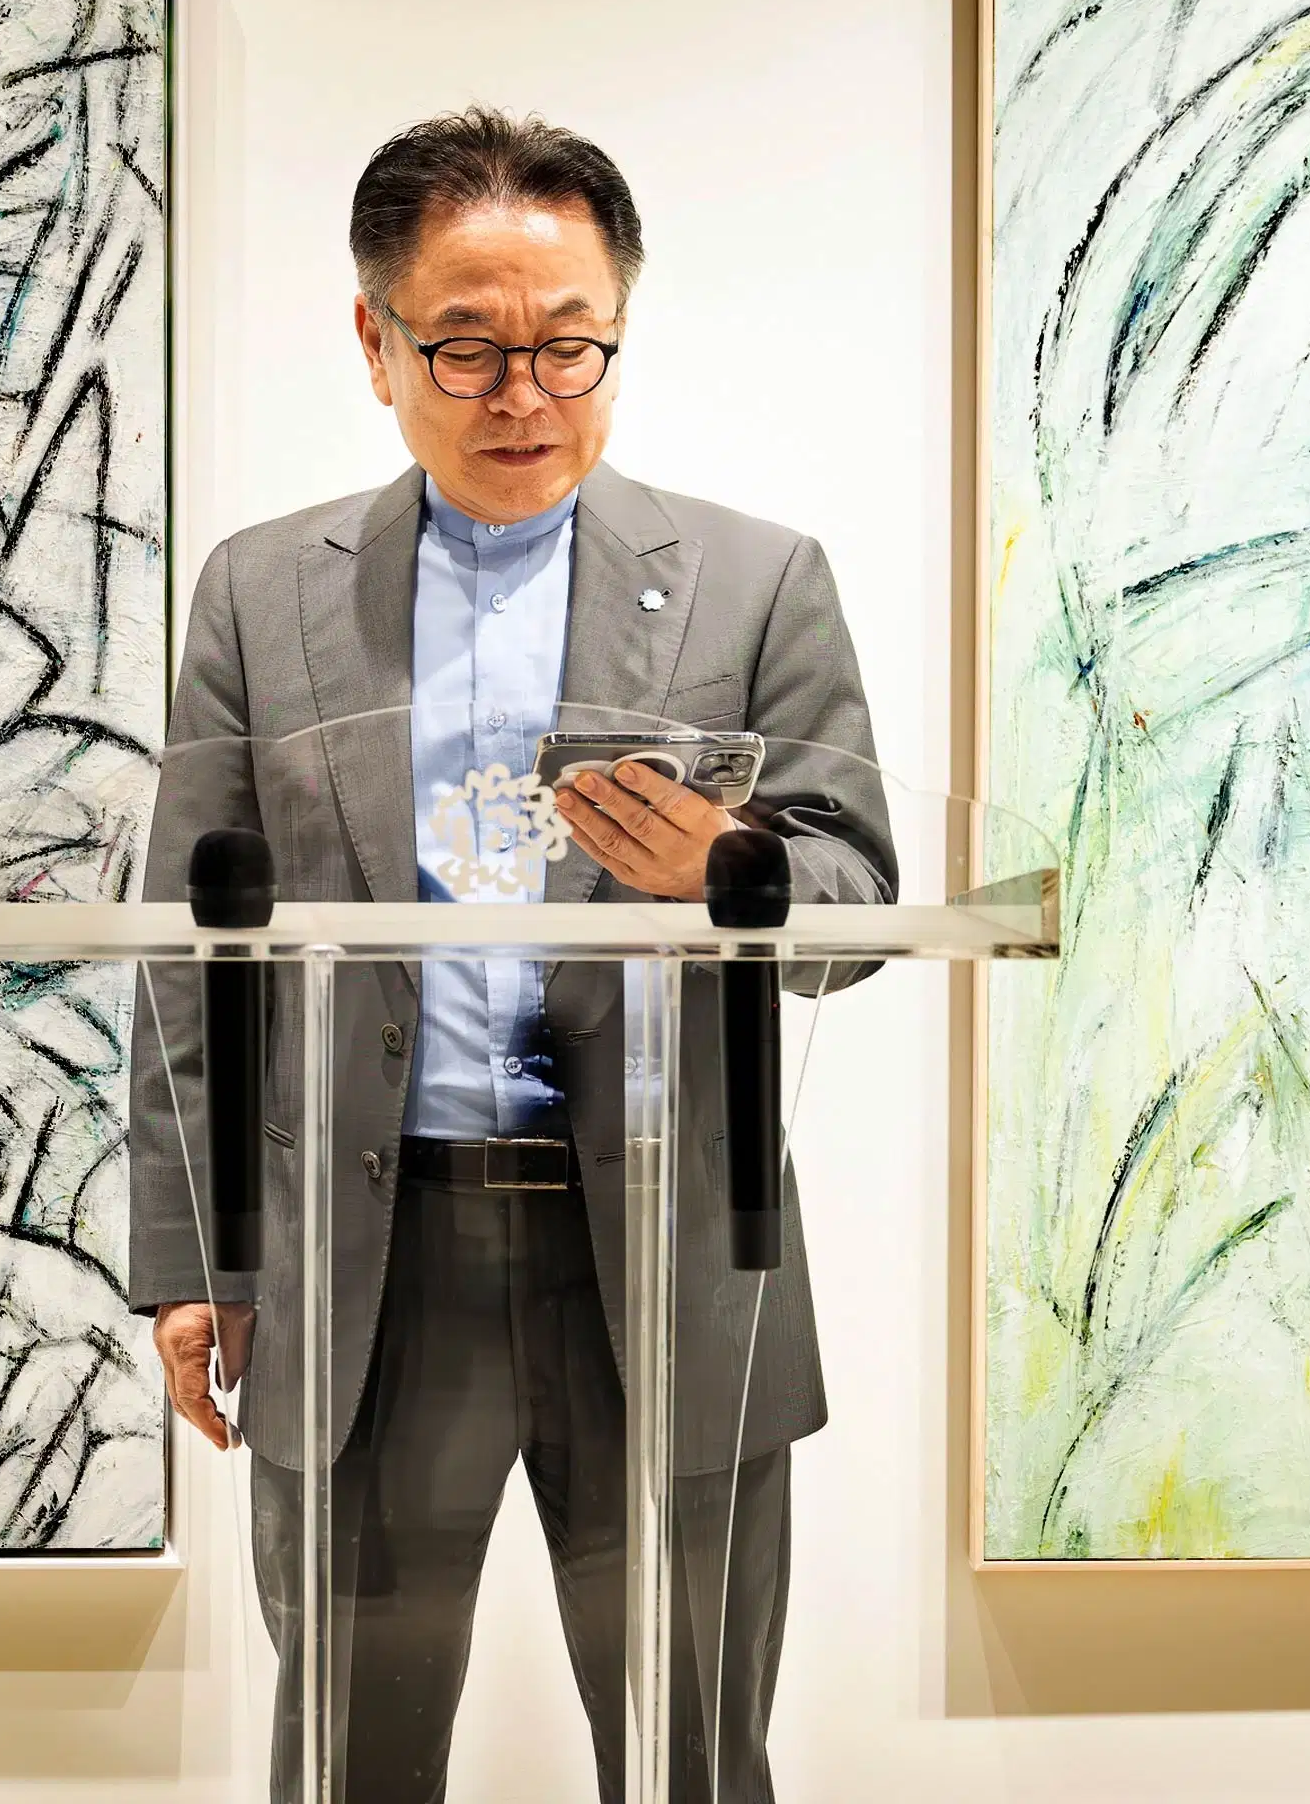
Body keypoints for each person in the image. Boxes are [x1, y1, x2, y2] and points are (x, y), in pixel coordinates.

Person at [124, 109, 895, 1804]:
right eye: (467, 348)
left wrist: (734, 872)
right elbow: (194, 948)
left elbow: (858, 905)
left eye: (568, 345)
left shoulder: (757, 583)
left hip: (673, 1243)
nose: (524, 395)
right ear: (375, 340)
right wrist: (194, 1251)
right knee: (352, 1752)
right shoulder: (262, 593)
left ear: (621, 328)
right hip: (366, 1255)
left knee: (695, 1754)